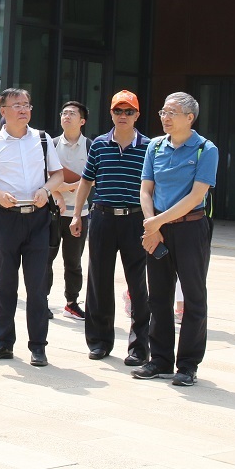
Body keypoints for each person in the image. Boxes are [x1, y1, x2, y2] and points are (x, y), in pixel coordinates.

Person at [0, 88, 63, 367]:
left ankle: (38, 347)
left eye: (26, 105)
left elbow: (58, 174)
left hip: (38, 218)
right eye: (17, 105)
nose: (23, 110)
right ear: (3, 111)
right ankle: (3, 343)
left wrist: (46, 190)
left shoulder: (42, 139)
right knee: (6, 284)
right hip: (7, 218)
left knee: (37, 286)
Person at [135, 92, 218, 387]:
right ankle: (159, 360)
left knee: (194, 297)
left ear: (189, 118)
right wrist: (152, 227)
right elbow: (146, 189)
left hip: (190, 229)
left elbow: (197, 196)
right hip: (157, 228)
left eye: (172, 113)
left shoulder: (206, 149)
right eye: (163, 112)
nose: (165, 118)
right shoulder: (155, 146)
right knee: (158, 296)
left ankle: (188, 365)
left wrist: (156, 222)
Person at [72, 90, 151, 364]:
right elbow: (86, 181)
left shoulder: (149, 147)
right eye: (118, 111)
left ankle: (139, 347)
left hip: (136, 220)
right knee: (99, 281)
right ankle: (99, 342)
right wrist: (76, 215)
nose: (123, 116)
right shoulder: (99, 145)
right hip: (103, 218)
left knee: (138, 284)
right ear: (111, 113)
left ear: (137, 115)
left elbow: (153, 187)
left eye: (128, 111)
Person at [50, 101, 90, 321]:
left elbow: (95, 178)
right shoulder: (52, 144)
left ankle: (72, 303)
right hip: (53, 212)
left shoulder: (91, 146)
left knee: (73, 262)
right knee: (45, 259)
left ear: (82, 121)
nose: (66, 116)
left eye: (72, 113)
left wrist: (69, 186)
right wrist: (60, 191)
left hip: (79, 214)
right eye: (64, 113)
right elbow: (43, 174)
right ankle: (42, 300)